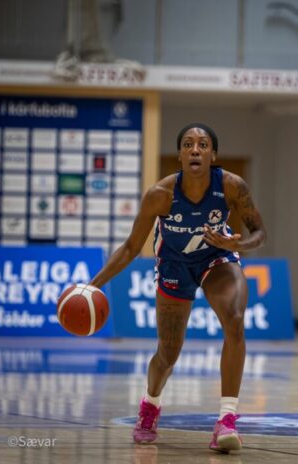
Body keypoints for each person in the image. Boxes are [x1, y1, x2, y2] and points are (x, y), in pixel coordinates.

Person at [89, 123, 267, 453]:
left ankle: (226, 420)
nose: (195, 149)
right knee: (168, 353)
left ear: (213, 155)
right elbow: (130, 248)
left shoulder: (231, 185)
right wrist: (91, 287)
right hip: (174, 265)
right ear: (180, 156)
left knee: (235, 320)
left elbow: (259, 232)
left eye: (202, 144)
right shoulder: (160, 194)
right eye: (187, 144)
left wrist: (238, 243)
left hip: (217, 257)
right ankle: (150, 404)